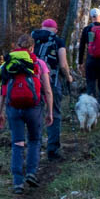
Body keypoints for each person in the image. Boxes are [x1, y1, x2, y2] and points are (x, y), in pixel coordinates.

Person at [0, 40, 52, 194]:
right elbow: (47, 90)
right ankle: (31, 173)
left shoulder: (8, 63)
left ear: (17, 46)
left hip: (13, 108)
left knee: (17, 143)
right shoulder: (38, 63)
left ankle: (17, 181)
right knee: (34, 140)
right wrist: (50, 112)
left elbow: (2, 91)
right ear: (32, 47)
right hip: (34, 108)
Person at [28, 18, 73, 160]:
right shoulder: (58, 41)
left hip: (31, 82)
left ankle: (33, 149)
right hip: (52, 81)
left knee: (35, 114)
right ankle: (52, 151)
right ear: (56, 29)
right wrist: (68, 77)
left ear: (41, 27)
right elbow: (63, 64)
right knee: (54, 113)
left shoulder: (31, 39)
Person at [76, 7, 100, 106]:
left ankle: (90, 107)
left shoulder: (87, 29)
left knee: (91, 85)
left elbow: (81, 47)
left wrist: (80, 62)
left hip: (91, 61)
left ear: (91, 17)